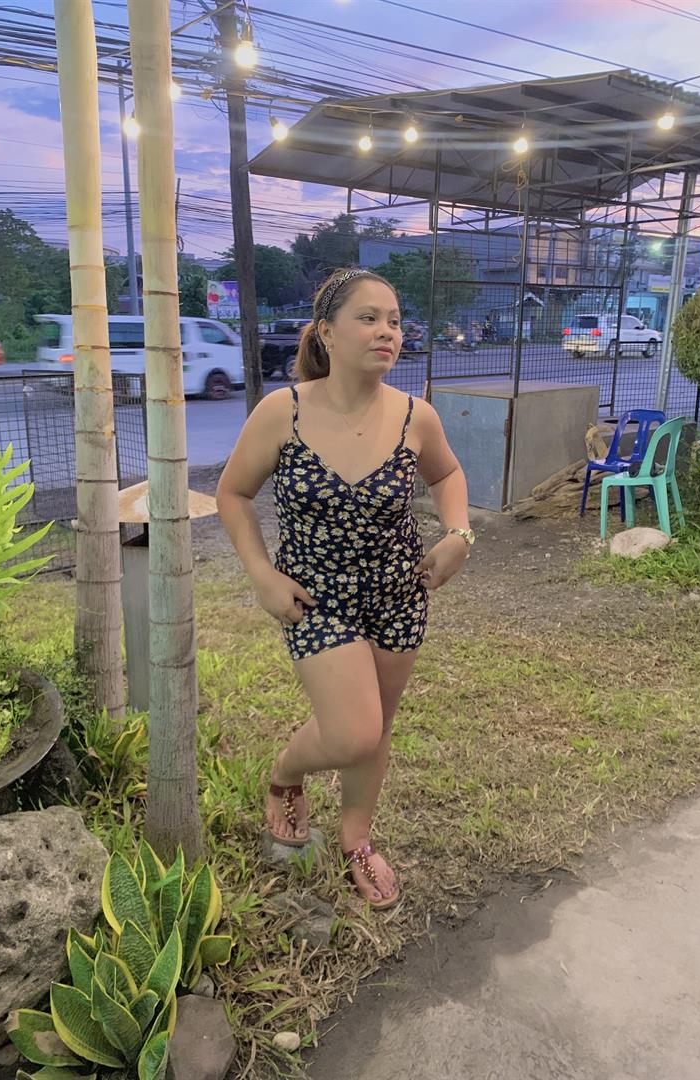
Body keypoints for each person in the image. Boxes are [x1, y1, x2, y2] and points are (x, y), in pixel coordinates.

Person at [215, 268, 474, 910]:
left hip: (398, 594)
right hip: (315, 600)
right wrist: (261, 574)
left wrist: (459, 534)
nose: (388, 331)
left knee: (376, 728)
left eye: (395, 320)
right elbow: (233, 493)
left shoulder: (415, 416)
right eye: (369, 318)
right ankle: (286, 774)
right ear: (326, 332)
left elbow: (447, 475)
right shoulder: (284, 411)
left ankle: (355, 838)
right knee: (354, 731)